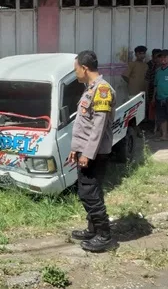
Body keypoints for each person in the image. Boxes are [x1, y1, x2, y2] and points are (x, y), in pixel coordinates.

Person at [68, 50, 118, 252]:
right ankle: (93, 228)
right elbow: (83, 124)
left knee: (88, 192)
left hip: (95, 152)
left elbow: (98, 126)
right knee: (90, 190)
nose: (76, 73)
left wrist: (87, 153)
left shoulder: (102, 90)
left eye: (76, 69)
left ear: (85, 68)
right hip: (85, 150)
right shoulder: (91, 88)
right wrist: (75, 149)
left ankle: (104, 235)